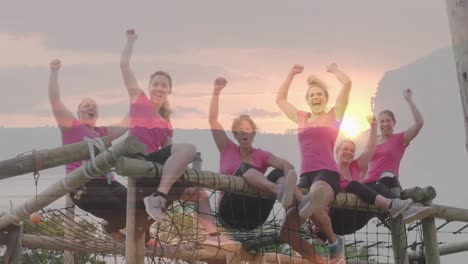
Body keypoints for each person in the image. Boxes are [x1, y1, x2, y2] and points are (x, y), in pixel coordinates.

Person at [120, 29, 240, 251]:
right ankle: (159, 197)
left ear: (169, 91)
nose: (159, 88)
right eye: (155, 84)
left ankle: (212, 235)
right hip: (140, 161)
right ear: (149, 87)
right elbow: (125, 68)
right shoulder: (140, 102)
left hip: (155, 169)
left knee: (199, 193)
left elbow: (169, 154)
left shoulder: (166, 122)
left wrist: (181, 185)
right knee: (189, 148)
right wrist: (130, 41)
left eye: (163, 85)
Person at [48, 59, 129, 242]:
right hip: (85, 187)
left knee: (139, 207)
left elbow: (124, 126)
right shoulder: (72, 127)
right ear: (78, 113)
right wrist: (54, 72)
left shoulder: (100, 132)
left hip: (109, 183)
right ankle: (112, 227)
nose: (91, 107)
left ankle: (113, 228)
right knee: (121, 210)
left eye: (94, 106)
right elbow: (55, 100)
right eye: (86, 106)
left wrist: (137, 101)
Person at [276, 63, 350, 261]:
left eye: (319, 94)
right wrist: (291, 73)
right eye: (311, 95)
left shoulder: (334, 116)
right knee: (285, 232)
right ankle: (319, 261)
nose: (316, 97)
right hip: (305, 176)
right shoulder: (301, 118)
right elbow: (280, 100)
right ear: (307, 100)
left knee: (313, 198)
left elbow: (347, 83)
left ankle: (334, 241)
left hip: (326, 174)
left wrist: (335, 70)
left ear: (325, 98)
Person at [209, 77, 300, 231]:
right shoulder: (227, 148)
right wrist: (216, 91)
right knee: (244, 168)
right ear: (235, 135)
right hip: (230, 211)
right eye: (239, 129)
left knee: (279, 172)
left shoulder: (261, 155)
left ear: (253, 134)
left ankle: (297, 201)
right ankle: (279, 191)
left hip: (254, 216)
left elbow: (287, 165)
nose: (244, 131)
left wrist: (287, 181)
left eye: (247, 128)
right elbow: (213, 120)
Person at [363, 89, 427, 222]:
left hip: (388, 184)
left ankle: (405, 210)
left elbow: (419, 123)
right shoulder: (372, 140)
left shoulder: (400, 139)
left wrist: (409, 100)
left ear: (394, 123)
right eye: (382, 121)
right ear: (378, 123)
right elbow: (363, 164)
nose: (385, 124)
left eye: (388, 121)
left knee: (388, 174)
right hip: (370, 185)